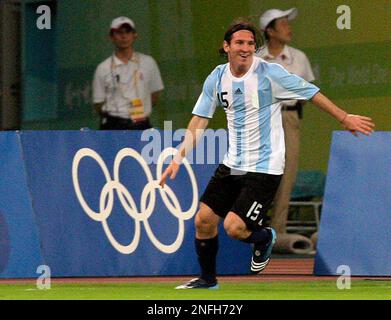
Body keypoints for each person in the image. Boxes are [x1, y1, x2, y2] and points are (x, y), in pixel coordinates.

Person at [159, 20, 374, 289]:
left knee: (235, 228)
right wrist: (179, 157)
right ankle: (208, 280)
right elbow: (199, 119)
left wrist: (344, 117)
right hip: (232, 164)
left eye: (250, 43)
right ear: (226, 47)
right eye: (239, 42)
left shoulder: (270, 74)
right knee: (203, 220)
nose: (246, 48)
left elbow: (311, 93)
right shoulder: (216, 77)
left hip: (264, 167)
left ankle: (263, 238)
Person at [256, 8, 316, 241]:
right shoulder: (257, 58)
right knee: (260, 172)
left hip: (289, 116)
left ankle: (276, 232)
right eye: (282, 24)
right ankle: (252, 227)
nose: (288, 27)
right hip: (262, 118)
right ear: (269, 31)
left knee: (287, 173)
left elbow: (308, 92)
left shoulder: (299, 57)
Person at [93, 16, 164, 130]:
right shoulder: (103, 68)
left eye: (128, 31)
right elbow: (98, 104)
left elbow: (154, 95)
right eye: (119, 32)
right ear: (111, 37)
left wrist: (140, 111)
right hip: (113, 125)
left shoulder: (148, 62)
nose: (124, 36)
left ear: (135, 35)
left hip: (141, 124)